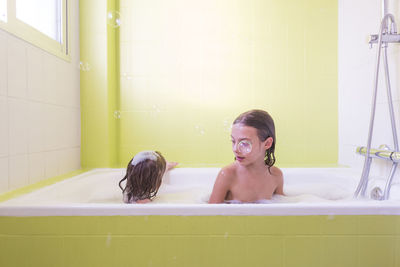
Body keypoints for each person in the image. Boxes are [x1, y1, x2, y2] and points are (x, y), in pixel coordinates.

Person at [209, 109, 284, 203]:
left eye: (244, 143)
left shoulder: (276, 175)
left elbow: (281, 208)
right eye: (233, 141)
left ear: (267, 143)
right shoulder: (228, 174)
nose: (235, 149)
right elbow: (210, 213)